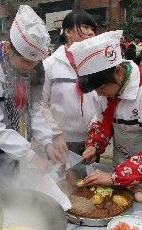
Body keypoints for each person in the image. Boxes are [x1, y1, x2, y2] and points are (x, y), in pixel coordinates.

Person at [0, 5, 63, 197]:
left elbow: (34, 110)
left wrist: (47, 141)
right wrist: (31, 156)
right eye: (25, 61)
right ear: (8, 48)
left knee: (10, 195)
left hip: (8, 143)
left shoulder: (33, 70)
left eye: (34, 63)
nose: (30, 68)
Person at [67, 30, 142, 187]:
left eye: (102, 88)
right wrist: (93, 145)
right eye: (96, 91)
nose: (99, 94)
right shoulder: (102, 91)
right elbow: (101, 120)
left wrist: (114, 177)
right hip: (121, 163)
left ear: (118, 71)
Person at [42, 11, 100, 156]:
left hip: (90, 141)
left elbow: (102, 102)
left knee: (87, 178)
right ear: (67, 31)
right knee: (60, 178)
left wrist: (94, 135)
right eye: (85, 27)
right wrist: (55, 134)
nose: (91, 33)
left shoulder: (98, 64)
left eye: (93, 29)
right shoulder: (50, 64)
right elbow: (41, 103)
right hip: (59, 141)